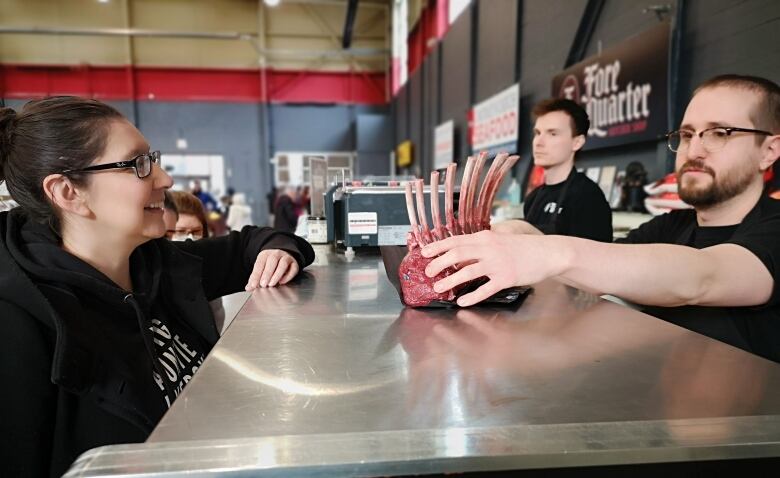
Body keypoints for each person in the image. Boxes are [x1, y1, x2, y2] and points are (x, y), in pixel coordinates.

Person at [0, 96, 315, 477]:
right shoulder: (20, 321)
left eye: (154, 158)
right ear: (69, 193)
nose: (164, 179)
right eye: (138, 165)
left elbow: (257, 241)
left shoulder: (155, 265)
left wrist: (280, 252)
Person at [420, 74, 780, 363]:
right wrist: (521, 235)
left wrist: (551, 253)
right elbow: (604, 266)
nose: (694, 149)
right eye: (686, 135)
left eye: (720, 133)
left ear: (769, 150)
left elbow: (703, 277)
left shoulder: (773, 228)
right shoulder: (672, 227)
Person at [521, 98, 613, 241]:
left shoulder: (588, 197)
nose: (538, 142)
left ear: (577, 142)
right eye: (538, 133)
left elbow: (595, 259)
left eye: (552, 134)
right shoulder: (533, 198)